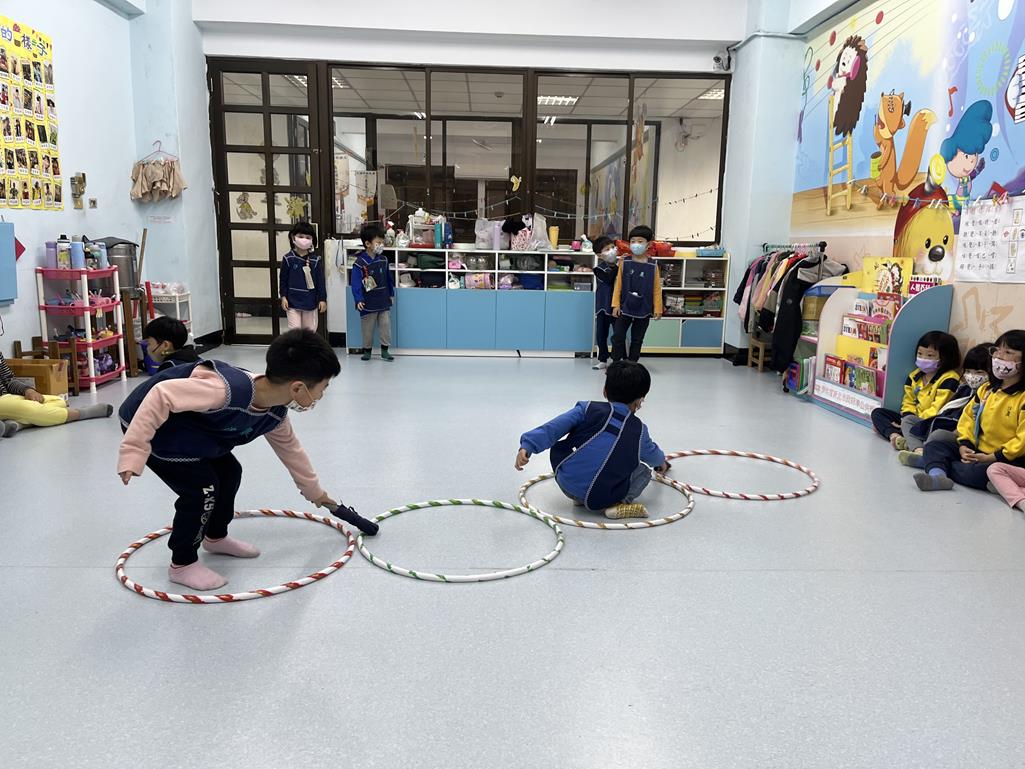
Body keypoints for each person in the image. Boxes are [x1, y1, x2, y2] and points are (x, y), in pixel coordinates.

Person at [117, 329, 373, 591]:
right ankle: (182, 563)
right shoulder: (224, 390)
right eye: (323, 388)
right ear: (298, 387)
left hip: (196, 430)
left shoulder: (274, 414)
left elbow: (292, 452)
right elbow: (161, 395)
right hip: (155, 428)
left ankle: (215, 537)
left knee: (230, 472)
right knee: (202, 490)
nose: (321, 396)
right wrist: (134, 451)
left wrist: (315, 492)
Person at [514, 360, 670, 519]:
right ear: (639, 401)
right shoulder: (639, 430)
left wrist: (528, 445)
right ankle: (619, 503)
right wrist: (661, 462)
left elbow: (554, 427)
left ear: (605, 391)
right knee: (644, 471)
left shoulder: (587, 408)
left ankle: (579, 498)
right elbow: (652, 455)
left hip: (566, 483)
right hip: (601, 496)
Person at [914, 330, 1025, 492]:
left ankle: (936, 464)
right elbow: (968, 419)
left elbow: (1022, 440)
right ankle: (938, 476)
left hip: (1006, 459)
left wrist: (993, 457)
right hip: (978, 451)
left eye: (1008, 352)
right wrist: (964, 445)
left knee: (979, 472)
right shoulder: (986, 390)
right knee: (935, 446)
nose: (999, 357)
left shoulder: (1022, 397)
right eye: (996, 351)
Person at [898, 343, 991, 465]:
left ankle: (923, 455)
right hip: (944, 422)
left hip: (961, 434)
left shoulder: (988, 395)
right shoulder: (964, 389)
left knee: (938, 434)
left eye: (979, 372)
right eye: (968, 371)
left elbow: (971, 425)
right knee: (908, 420)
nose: (972, 377)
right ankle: (919, 450)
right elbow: (946, 411)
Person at [870, 331, 961, 450]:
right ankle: (895, 436)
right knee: (878, 413)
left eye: (930, 356)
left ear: (945, 357)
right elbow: (908, 401)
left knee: (885, 426)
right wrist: (907, 417)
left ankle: (901, 435)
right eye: (920, 354)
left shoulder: (949, 379)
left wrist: (912, 422)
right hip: (911, 419)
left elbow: (938, 408)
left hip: (929, 422)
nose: (923, 358)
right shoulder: (914, 376)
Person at [0, 351, 112, 437]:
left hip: (8, 397)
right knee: (29, 408)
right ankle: (81, 413)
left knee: (59, 401)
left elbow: (9, 380)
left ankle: (18, 423)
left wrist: (28, 390)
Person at [611, 225, 662, 362]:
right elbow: (618, 284)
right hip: (625, 306)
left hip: (644, 308)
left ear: (648, 244)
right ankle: (616, 363)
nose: (636, 244)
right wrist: (615, 304)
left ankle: (632, 364)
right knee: (618, 336)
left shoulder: (653, 265)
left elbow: (657, 289)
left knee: (637, 339)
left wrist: (658, 308)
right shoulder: (624, 262)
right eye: (633, 241)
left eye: (640, 241)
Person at [350, 223, 395, 362]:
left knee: (385, 326)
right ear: (368, 244)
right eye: (378, 242)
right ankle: (367, 351)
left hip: (383, 300)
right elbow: (356, 284)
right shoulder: (359, 263)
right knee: (367, 328)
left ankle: (385, 350)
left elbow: (389, 279)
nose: (381, 245)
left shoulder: (384, 260)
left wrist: (391, 294)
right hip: (367, 302)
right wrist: (358, 299)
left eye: (382, 242)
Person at [279, 221, 326, 332]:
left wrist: (322, 299)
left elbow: (320, 282)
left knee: (309, 332)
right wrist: (283, 297)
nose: (304, 240)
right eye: (300, 236)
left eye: (308, 237)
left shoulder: (315, 260)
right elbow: (283, 280)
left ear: (312, 240)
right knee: (295, 332)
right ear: (293, 237)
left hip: (310, 303)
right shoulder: (288, 259)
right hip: (292, 303)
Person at [591, 236, 619, 371]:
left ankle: (617, 359)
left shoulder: (621, 267)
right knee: (601, 334)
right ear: (599, 255)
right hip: (603, 306)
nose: (612, 251)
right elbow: (609, 279)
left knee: (618, 334)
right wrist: (617, 267)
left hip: (616, 306)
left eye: (613, 247)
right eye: (607, 249)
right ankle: (602, 359)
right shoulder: (598, 269)